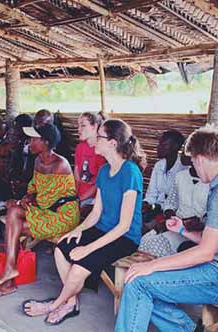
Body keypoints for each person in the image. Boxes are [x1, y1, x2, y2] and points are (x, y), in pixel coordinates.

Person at [115, 126, 218, 332]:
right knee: (144, 287)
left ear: (199, 158)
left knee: (139, 283)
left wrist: (153, 265)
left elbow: (206, 252)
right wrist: (183, 231)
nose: (193, 167)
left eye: (193, 161)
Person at [21, 119, 146, 325]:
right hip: (102, 230)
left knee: (79, 266)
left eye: (100, 137)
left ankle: (54, 305)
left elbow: (124, 225)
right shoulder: (105, 171)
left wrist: (87, 249)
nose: (95, 141)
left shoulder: (130, 172)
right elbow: (96, 213)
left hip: (124, 237)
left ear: (113, 143)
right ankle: (71, 303)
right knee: (61, 249)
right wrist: (78, 230)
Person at [0, 124, 79, 299]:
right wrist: (28, 196)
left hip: (62, 215)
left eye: (34, 139)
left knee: (14, 222)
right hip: (45, 211)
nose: (30, 142)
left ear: (46, 142)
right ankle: (9, 271)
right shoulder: (37, 161)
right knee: (13, 213)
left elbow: (47, 201)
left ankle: (9, 277)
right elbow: (34, 187)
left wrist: (25, 201)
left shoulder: (60, 164)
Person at [142, 130, 187, 226]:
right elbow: (151, 194)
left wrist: (158, 208)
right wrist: (146, 203)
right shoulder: (159, 165)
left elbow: (179, 202)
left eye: (163, 144)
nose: (158, 147)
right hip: (155, 209)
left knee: (146, 228)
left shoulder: (183, 170)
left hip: (172, 215)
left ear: (175, 146)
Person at [74, 111, 107, 210]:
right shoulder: (80, 147)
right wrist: (73, 197)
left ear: (94, 126)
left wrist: (79, 200)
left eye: (83, 126)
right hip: (80, 197)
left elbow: (99, 184)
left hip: (95, 198)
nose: (79, 129)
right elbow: (76, 175)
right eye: (78, 125)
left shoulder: (101, 150)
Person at [9, 113, 35, 198]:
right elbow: (13, 165)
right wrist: (15, 179)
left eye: (17, 128)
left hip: (31, 186)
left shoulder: (36, 147)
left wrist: (24, 183)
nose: (14, 131)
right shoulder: (19, 145)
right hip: (19, 184)